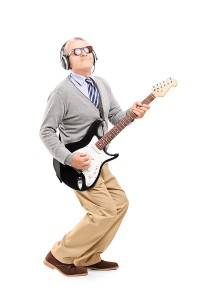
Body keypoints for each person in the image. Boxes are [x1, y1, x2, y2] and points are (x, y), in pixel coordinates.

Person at [39, 37, 150, 277]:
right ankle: (59, 255)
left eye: (87, 49)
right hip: (77, 164)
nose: (83, 53)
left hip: (99, 159)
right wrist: (69, 159)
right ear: (65, 60)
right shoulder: (61, 93)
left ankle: (89, 255)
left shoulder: (101, 83)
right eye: (75, 51)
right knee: (104, 212)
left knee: (120, 204)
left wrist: (133, 113)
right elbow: (46, 131)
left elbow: (114, 116)